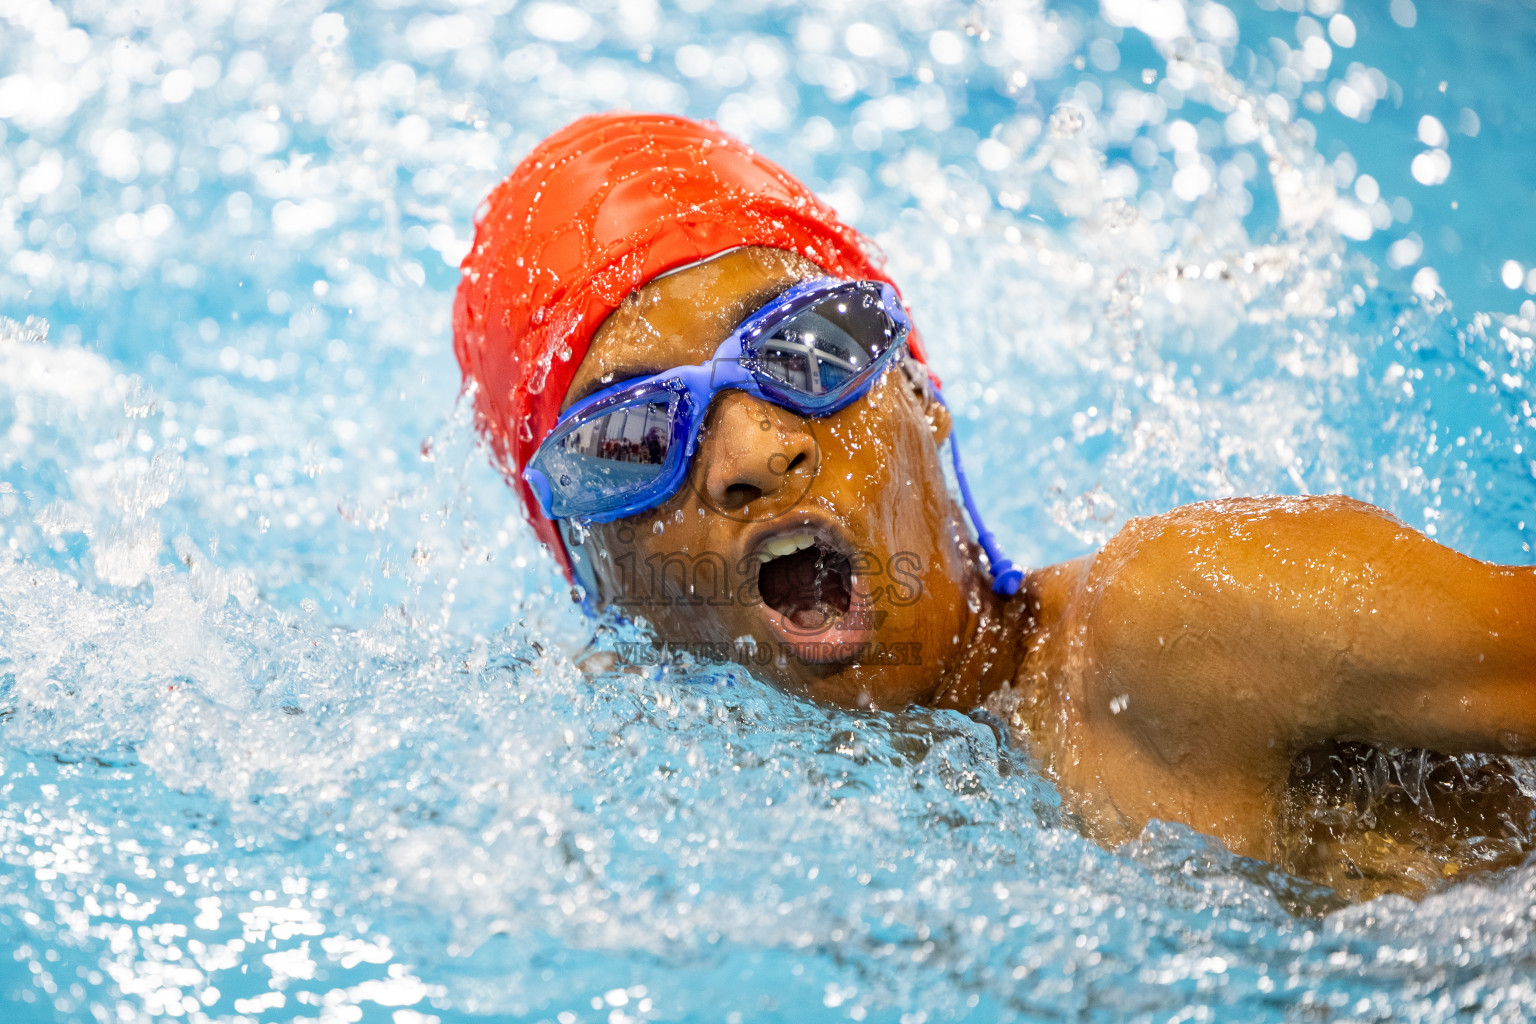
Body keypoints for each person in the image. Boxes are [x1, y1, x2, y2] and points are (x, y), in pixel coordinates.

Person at [454, 112, 1536, 900]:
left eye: (813, 344)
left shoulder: (1179, 630)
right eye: (631, 435)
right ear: (592, 571)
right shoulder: (710, 869)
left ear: (924, 394)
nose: (754, 450)